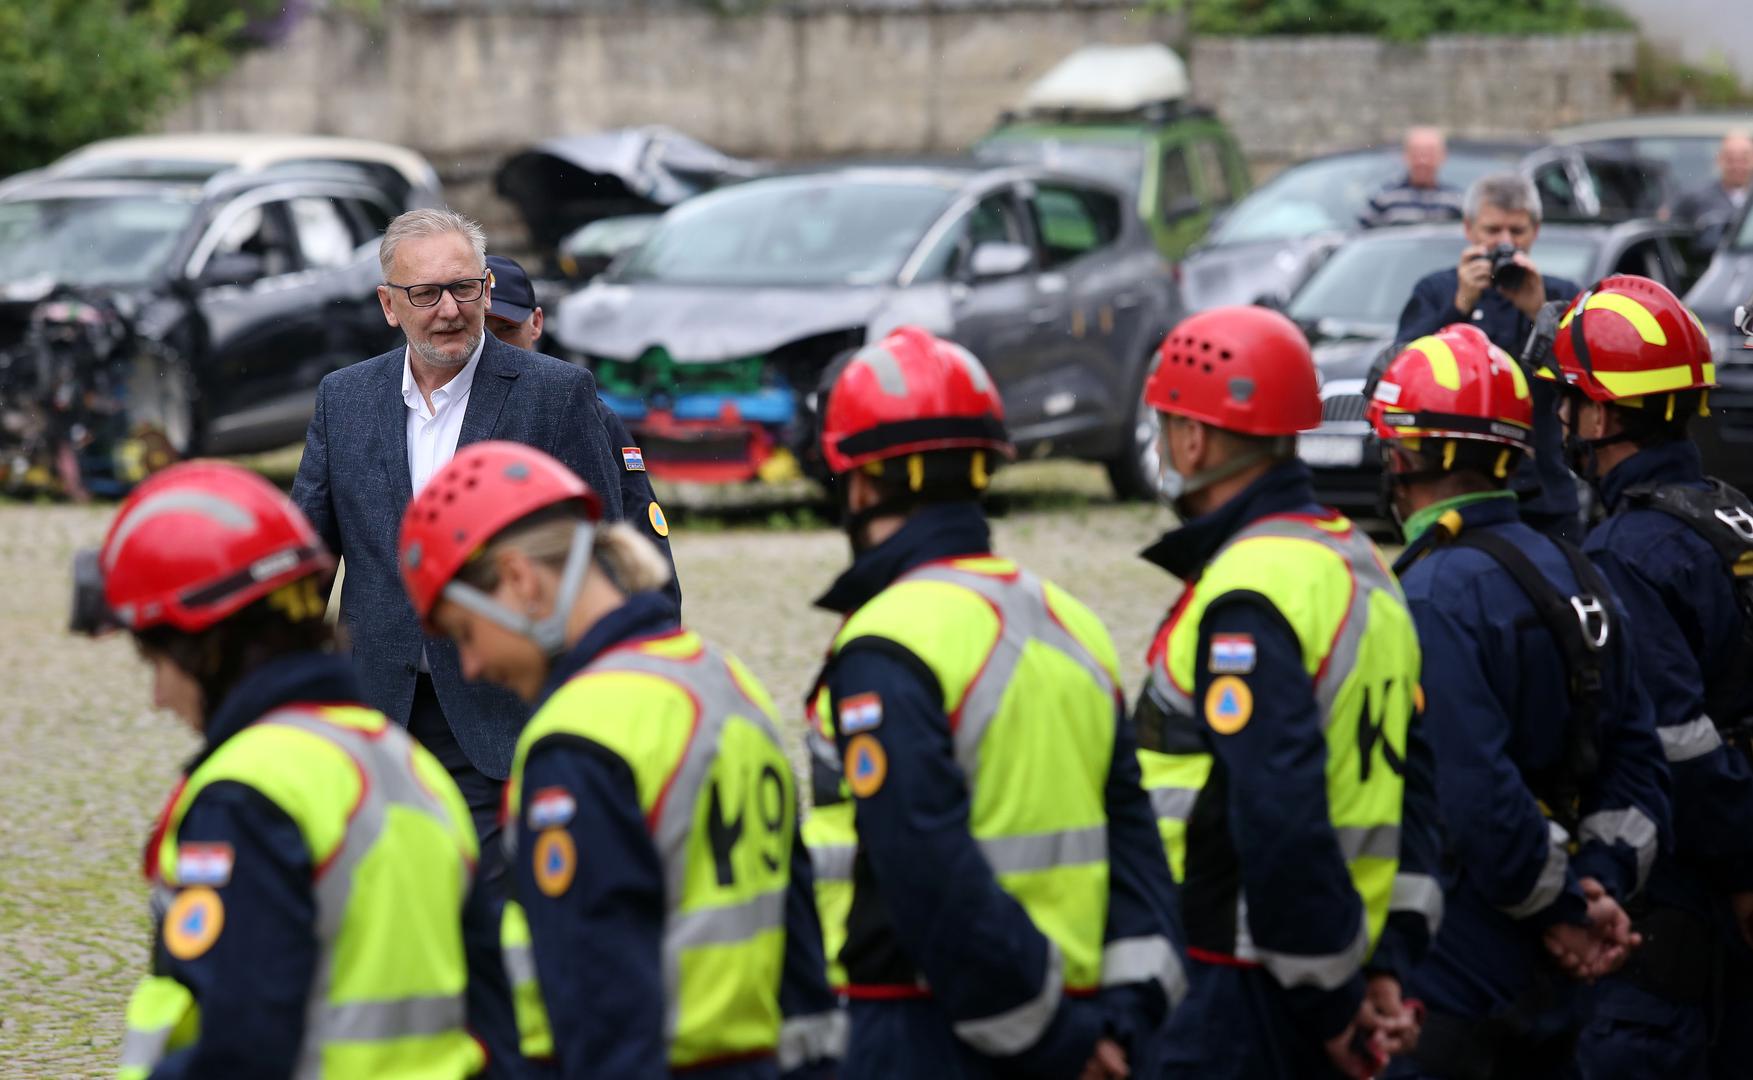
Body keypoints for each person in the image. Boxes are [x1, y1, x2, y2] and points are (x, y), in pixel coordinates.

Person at [804, 326, 1185, 1079]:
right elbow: (1136, 849)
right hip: (1082, 1022)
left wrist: (1058, 1038)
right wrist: (1121, 1021)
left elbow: (929, 869)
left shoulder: (888, 641)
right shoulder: (1070, 621)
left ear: (857, 482)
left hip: (926, 1027)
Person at [398, 440, 839, 1079]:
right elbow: (798, 945)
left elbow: (604, 1011)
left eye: (465, 632)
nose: (470, 666)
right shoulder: (725, 681)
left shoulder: (580, 741)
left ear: (520, 581)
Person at [103, 462, 496, 1079]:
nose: (158, 696)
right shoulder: (404, 762)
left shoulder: (248, 793)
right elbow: (492, 1010)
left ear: (211, 649)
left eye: (157, 661)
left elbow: (241, 1047)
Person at [1134, 306, 1434, 1079]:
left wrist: (1329, 1002)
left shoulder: (1251, 588)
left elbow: (1277, 812)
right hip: (1342, 963)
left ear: (1192, 439)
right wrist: (1384, 967)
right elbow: (1417, 788)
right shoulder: (1358, 562)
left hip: (1243, 981)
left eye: (1167, 427)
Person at [1366, 324, 1670, 1079]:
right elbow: (1639, 763)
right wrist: (1596, 878)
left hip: (1459, 976)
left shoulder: (1431, 597)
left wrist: (1562, 909)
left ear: (1403, 456)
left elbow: (1472, 793)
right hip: (1568, 988)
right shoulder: (1580, 573)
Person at [290, 208, 632, 861]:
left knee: (488, 904)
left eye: (465, 289)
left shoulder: (555, 395)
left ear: (486, 290)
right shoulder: (344, 398)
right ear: (389, 305)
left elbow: (606, 560)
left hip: (509, 713)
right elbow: (307, 559)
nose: (450, 310)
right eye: (426, 294)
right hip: (382, 713)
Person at [1537, 276, 1753, 1080]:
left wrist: (1739, 873)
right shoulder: (1727, 511)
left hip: (1693, 894)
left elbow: (1676, 745)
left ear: (1601, 413)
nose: (1559, 419)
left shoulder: (1625, 555)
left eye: (1568, 400)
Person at [1396, 173, 1584, 541]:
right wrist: (1460, 306)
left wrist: (1539, 314)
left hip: (1545, 488)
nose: (1505, 243)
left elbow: (1586, 382)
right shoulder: (1437, 291)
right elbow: (1405, 374)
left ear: (1536, 230)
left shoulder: (1560, 294)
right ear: (1468, 229)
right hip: (1456, 485)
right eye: (1492, 230)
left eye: (1517, 231)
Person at [483, 253, 679, 604]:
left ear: (537, 324)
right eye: (482, 331)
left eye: (507, 330)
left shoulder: (581, 409)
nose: (495, 346)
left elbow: (637, 542)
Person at [1665, 132, 1753, 252]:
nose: (1737, 166)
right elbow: (1664, 224)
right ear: (1719, 160)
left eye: (1744, 159)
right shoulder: (1695, 196)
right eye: (1730, 159)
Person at [1360, 127, 1464, 228]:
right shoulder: (1383, 199)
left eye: (1429, 154)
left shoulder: (1456, 200)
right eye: (1417, 154)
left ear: (1442, 156)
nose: (1423, 161)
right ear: (1405, 155)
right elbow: (1363, 238)